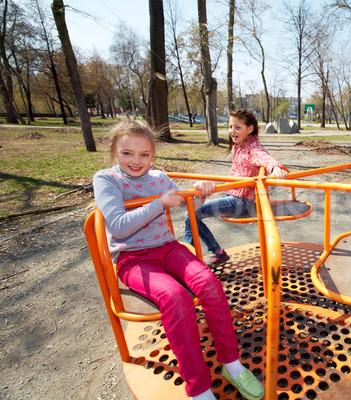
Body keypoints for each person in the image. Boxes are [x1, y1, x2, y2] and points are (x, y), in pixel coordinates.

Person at [93, 119, 265, 400]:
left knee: (209, 284)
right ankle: (199, 388)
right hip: (133, 258)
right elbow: (119, 226)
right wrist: (158, 203)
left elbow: (187, 205)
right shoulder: (107, 180)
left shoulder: (159, 178)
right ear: (114, 151)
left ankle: (231, 365)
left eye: (144, 154)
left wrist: (199, 193)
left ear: (153, 154)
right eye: (127, 153)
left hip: (168, 247)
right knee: (175, 297)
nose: (136, 161)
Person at [183, 109, 288, 266]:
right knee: (191, 211)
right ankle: (201, 253)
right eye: (230, 126)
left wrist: (275, 168)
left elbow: (265, 157)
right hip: (232, 196)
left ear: (250, 129)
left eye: (238, 127)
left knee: (193, 212)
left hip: (241, 201)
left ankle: (195, 256)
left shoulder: (252, 148)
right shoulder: (239, 145)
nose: (232, 131)